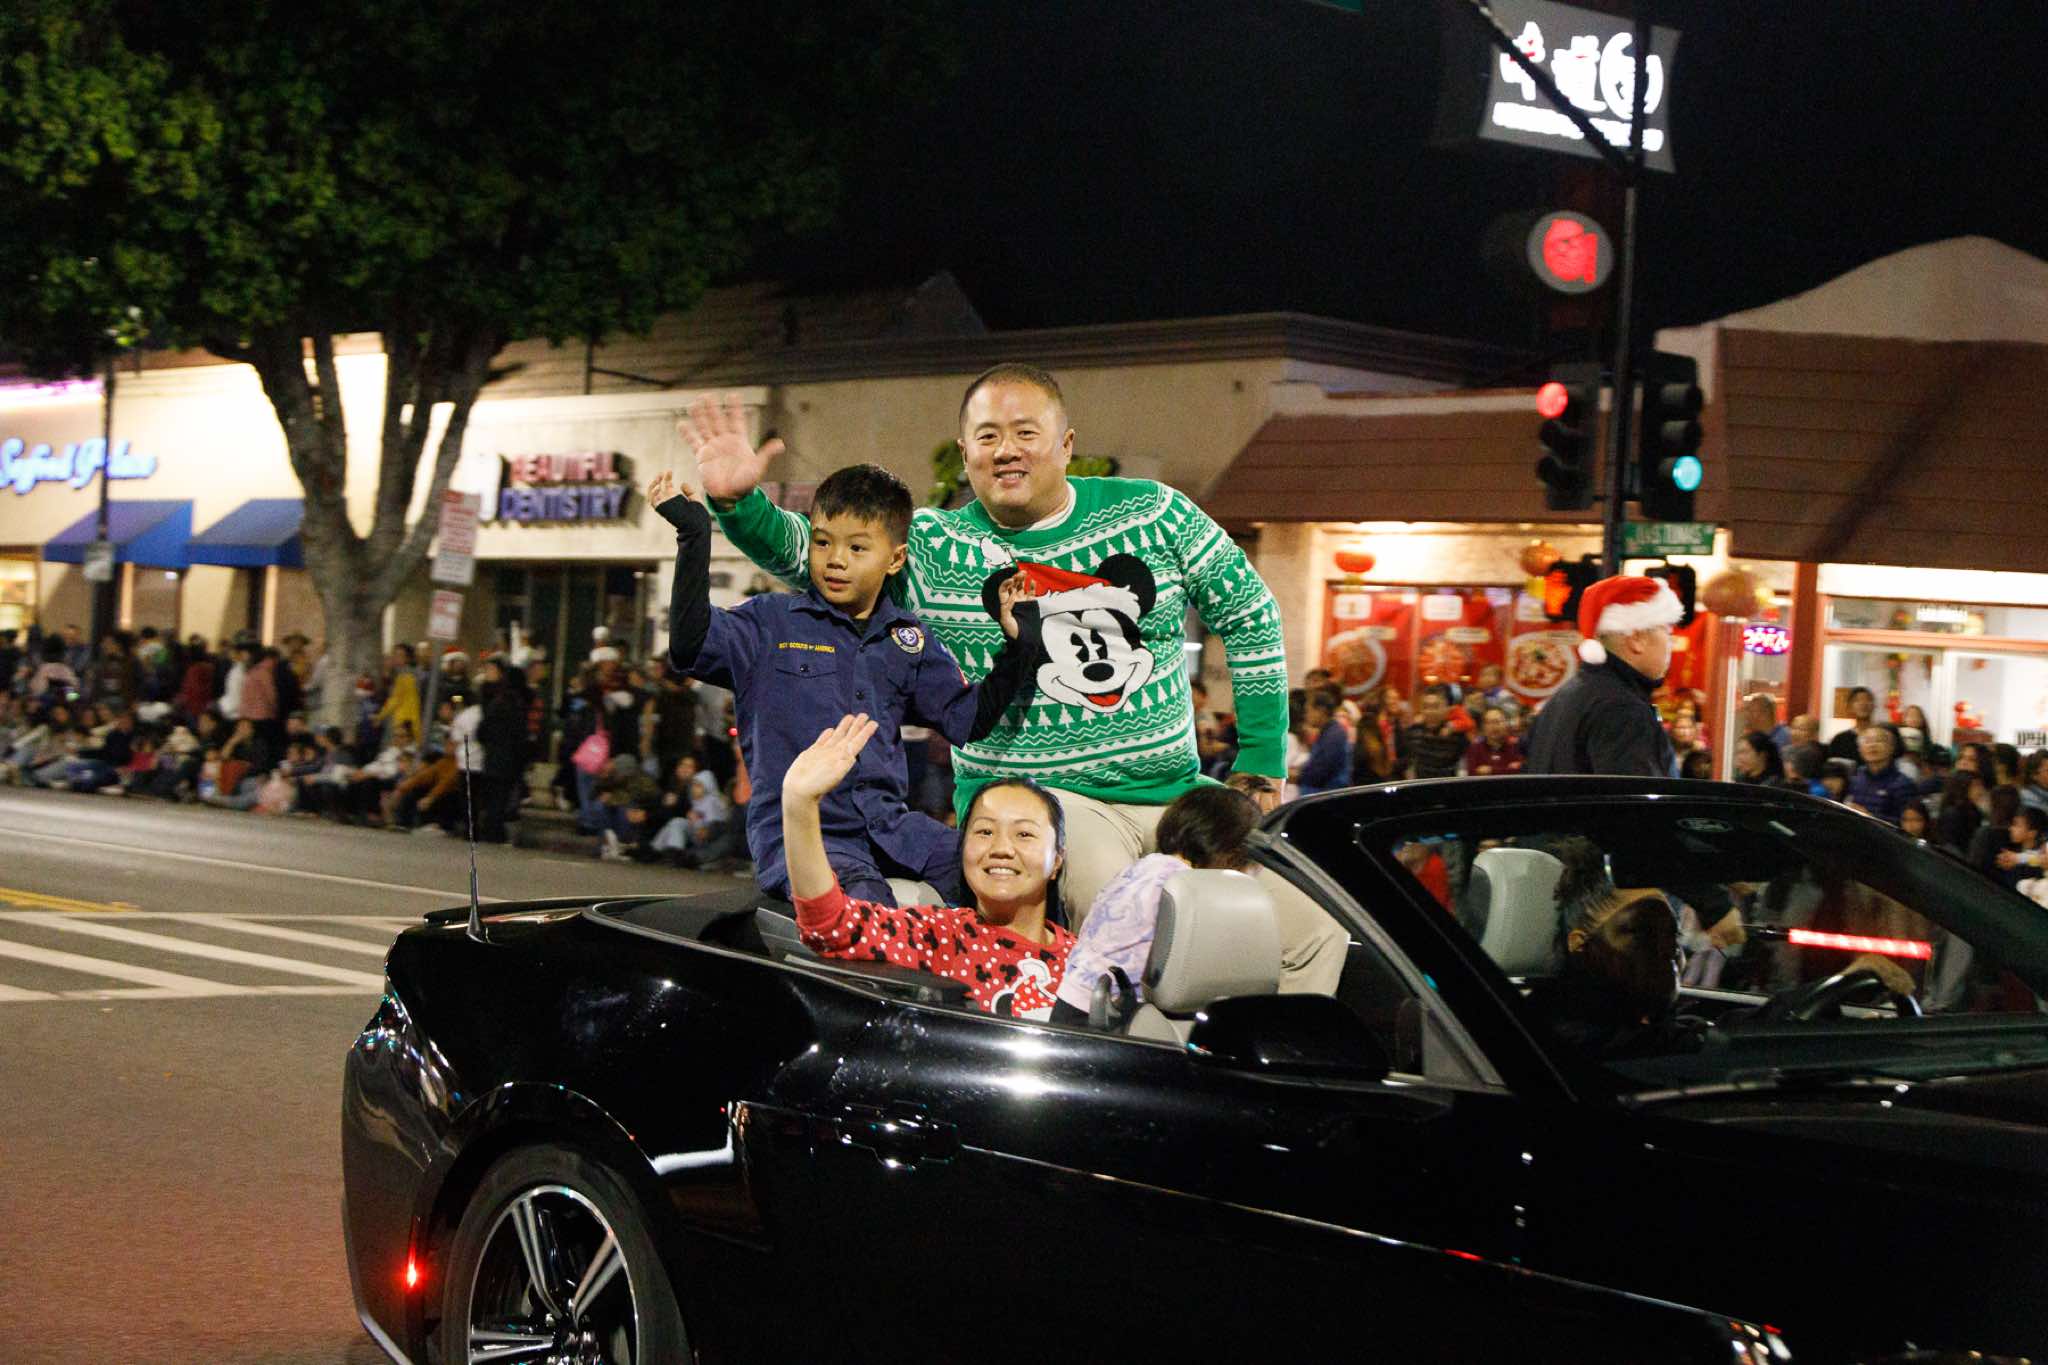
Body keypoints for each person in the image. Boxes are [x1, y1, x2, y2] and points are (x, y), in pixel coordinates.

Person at [687, 373, 1345, 993]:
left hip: (1179, 796)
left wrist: (1261, 758)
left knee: (1313, 926)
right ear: (965, 452)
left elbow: (1249, 611)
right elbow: (822, 550)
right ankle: (1132, 1063)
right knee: (1128, 913)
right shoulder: (933, 547)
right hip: (1046, 807)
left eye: (1026, 432)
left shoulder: (1157, 513)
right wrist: (739, 503)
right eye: (988, 435)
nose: (1007, 450)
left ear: (1066, 444)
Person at [652, 461, 1041, 906]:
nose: (836, 559)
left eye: (857, 547)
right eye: (822, 542)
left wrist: (1020, 646)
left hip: (892, 829)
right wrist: (694, 535)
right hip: (804, 835)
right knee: (867, 904)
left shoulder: (907, 639)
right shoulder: (769, 622)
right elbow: (690, 645)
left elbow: (968, 719)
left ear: (895, 559)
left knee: (1005, 871)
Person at [784, 714, 1075, 1019]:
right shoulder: (940, 937)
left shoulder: (1086, 961)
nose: (1001, 849)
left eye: (1024, 834)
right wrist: (800, 803)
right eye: (984, 831)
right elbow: (833, 924)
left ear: (1057, 859)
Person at [1049, 784, 1261, 1024]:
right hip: (1111, 1020)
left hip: (1074, 1005)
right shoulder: (1186, 888)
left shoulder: (1144, 868)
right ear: (1232, 853)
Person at [1524, 575, 1683, 777]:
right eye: (1667, 631)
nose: (1670, 643)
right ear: (1636, 639)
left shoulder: (1566, 695)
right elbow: (1636, 795)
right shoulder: (1623, 710)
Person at [1846, 726, 1918, 825]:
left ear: (1891, 748)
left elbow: (1907, 824)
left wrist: (1869, 817)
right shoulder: (1855, 778)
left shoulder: (1903, 784)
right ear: (1860, 750)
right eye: (1867, 741)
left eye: (1879, 741)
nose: (1873, 745)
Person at [1400, 684, 1465, 779]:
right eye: (1425, 707)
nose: (1430, 711)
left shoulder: (1456, 734)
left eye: (1435, 707)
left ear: (1446, 708)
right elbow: (1406, 764)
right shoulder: (1412, 733)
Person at [1294, 690, 1352, 795]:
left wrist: (1293, 777)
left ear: (1321, 711)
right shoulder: (1328, 732)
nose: (1305, 715)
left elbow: (1318, 774)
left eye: (1308, 711)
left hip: (1328, 796)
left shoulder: (1333, 736)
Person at [1463, 704, 1524, 776]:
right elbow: (1472, 774)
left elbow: (1521, 771)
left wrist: (1491, 770)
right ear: (1483, 727)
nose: (1493, 726)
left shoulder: (1516, 746)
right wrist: (1506, 769)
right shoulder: (1475, 749)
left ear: (1506, 724)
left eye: (1497, 722)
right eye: (1488, 722)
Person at [1825, 687, 1879, 762]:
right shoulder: (1840, 740)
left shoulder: (1884, 735)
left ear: (1874, 706)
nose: (1863, 703)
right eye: (1857, 700)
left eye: (1868, 700)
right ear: (1849, 707)